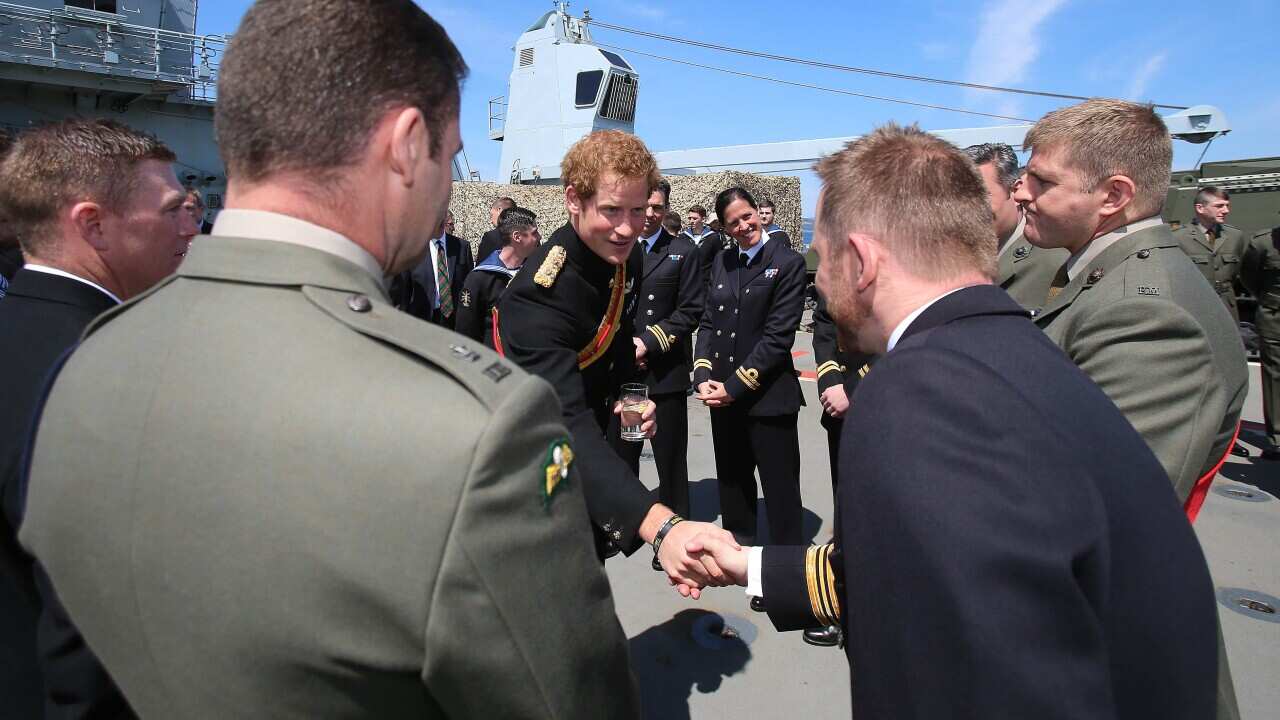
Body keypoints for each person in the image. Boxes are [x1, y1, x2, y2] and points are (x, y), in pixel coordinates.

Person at [19, 3, 640, 717]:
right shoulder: (479, 428)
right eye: (447, 152)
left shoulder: (84, 361)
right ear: (409, 145)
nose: (444, 183)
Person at [686, 123, 1220, 720]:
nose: (821, 280)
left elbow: (961, 657)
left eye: (825, 257)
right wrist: (751, 565)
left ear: (861, 261)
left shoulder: (917, 393)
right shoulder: (1018, 346)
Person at [1015, 98, 1246, 720]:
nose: (1020, 193)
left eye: (1041, 180)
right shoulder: (1106, 282)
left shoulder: (1148, 313)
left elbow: (1099, 523)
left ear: (1112, 194)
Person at [0, 117, 197, 718]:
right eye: (172, 210)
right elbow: (98, 632)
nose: (192, 225)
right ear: (93, 225)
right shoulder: (115, 373)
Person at [496, 129, 736, 590]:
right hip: (538, 475)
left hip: (596, 455)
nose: (628, 228)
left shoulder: (624, 258)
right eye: (611, 210)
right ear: (573, 200)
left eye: (639, 210)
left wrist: (632, 403)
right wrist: (663, 529)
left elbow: (619, 343)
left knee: (589, 585)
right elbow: (561, 424)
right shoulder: (538, 297)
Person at [693, 186, 806, 615]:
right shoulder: (722, 261)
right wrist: (703, 374)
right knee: (734, 486)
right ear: (722, 228)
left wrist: (734, 386)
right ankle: (741, 567)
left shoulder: (788, 263)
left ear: (759, 213)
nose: (743, 227)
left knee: (780, 493)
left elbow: (779, 338)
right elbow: (708, 321)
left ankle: (790, 581)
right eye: (733, 223)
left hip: (767, 399)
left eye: (747, 217)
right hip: (723, 398)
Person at [607, 179, 703, 568]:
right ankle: (626, 526)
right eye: (645, 206)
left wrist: (649, 341)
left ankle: (675, 538)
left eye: (658, 207)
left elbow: (691, 309)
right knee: (626, 449)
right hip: (628, 376)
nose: (650, 214)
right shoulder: (619, 248)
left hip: (664, 376)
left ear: (666, 209)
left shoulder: (683, 252)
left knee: (669, 459)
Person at [804, 292, 875, 647]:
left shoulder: (904, 248)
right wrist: (831, 380)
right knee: (846, 508)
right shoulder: (845, 253)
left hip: (884, 401)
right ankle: (846, 607)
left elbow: (906, 328)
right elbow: (826, 320)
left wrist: (854, 387)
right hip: (840, 406)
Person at [962, 143, 1066, 311]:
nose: (965, 209)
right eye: (957, 198)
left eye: (978, 195)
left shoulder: (1052, 261)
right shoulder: (953, 257)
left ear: (1015, 189)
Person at [454, 205, 539, 347]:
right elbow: (466, 333)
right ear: (517, 237)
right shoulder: (480, 279)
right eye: (534, 233)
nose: (539, 237)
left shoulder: (536, 272)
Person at [1174, 186, 1248, 321]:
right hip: (1194, 307)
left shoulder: (1235, 236)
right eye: (1219, 206)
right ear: (1200, 208)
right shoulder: (1178, 238)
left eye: (1227, 206)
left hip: (1227, 307)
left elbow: (1242, 272)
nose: (1226, 210)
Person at [392, 209, 474, 328]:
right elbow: (404, 290)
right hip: (420, 320)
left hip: (452, 320)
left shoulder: (461, 247)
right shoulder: (412, 249)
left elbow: (468, 285)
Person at [1241, 221, 1280, 460]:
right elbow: (1248, 277)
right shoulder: (1263, 242)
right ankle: (1277, 437)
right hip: (1274, 316)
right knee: (1274, 376)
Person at [682, 204, 722, 288]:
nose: (691, 221)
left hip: (706, 284)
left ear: (703, 219)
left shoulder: (713, 238)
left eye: (695, 218)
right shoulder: (683, 237)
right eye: (690, 218)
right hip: (687, 283)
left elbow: (718, 261)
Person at [475, 195, 516, 261]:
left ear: (499, 210)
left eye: (492, 215)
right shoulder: (527, 235)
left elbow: (482, 266)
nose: (491, 220)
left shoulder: (491, 237)